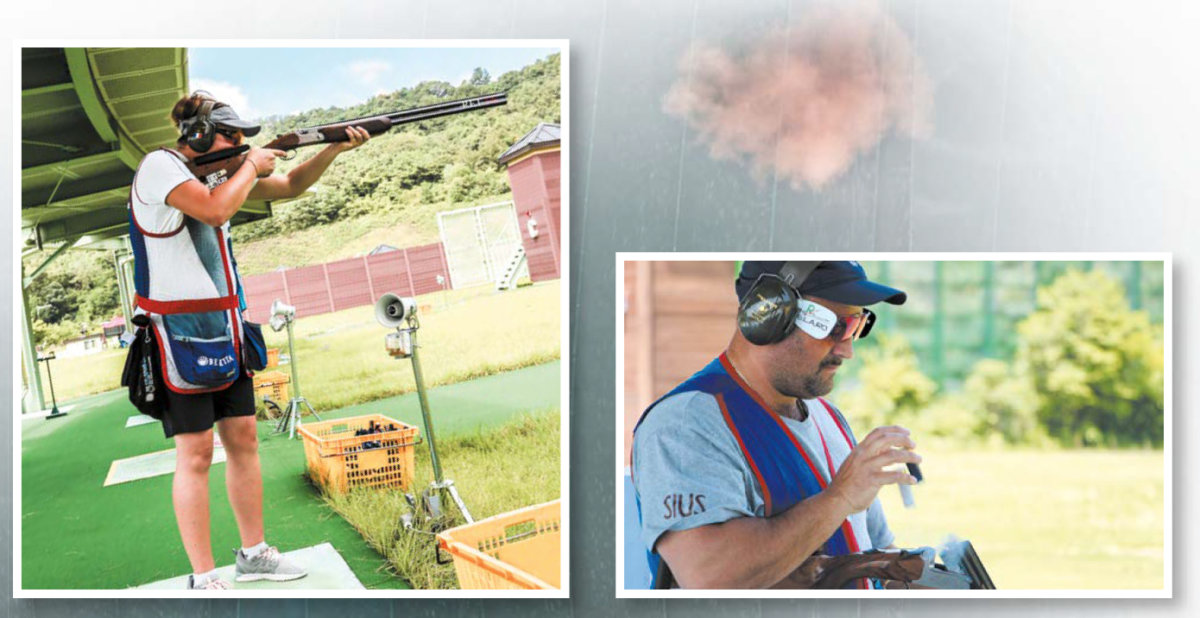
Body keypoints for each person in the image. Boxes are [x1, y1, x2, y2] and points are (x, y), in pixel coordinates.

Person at [128, 91, 370, 590]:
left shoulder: (219, 175)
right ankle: (203, 576)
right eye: (231, 136)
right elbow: (215, 211)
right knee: (195, 454)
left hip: (226, 328)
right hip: (177, 334)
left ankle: (254, 553)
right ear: (197, 136)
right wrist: (250, 166)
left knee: (243, 439)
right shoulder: (159, 167)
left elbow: (288, 186)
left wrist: (331, 149)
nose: (240, 145)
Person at [630, 260, 922, 589]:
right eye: (832, 326)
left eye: (857, 326)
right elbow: (711, 578)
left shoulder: (829, 418)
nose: (847, 349)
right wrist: (839, 497)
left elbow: (871, 557)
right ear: (767, 315)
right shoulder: (685, 424)